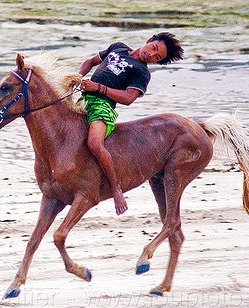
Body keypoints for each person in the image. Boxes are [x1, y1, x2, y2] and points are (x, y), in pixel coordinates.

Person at [78, 32, 183, 216]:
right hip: (84, 98)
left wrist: (99, 88)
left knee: (94, 143)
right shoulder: (118, 47)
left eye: (157, 57)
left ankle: (116, 189)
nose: (151, 55)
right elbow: (90, 62)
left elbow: (128, 98)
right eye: (154, 48)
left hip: (103, 106)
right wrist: (77, 78)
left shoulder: (142, 72)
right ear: (150, 41)